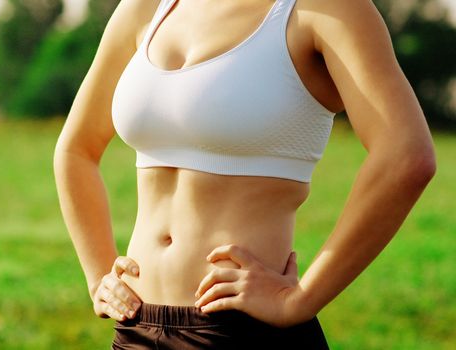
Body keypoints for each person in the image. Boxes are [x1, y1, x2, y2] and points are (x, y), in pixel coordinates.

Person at [54, 0, 436, 348]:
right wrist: (97, 275)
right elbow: (76, 149)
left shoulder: (325, 9)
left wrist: (298, 301)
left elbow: (405, 156)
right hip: (137, 326)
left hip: (243, 330)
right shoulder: (146, 7)